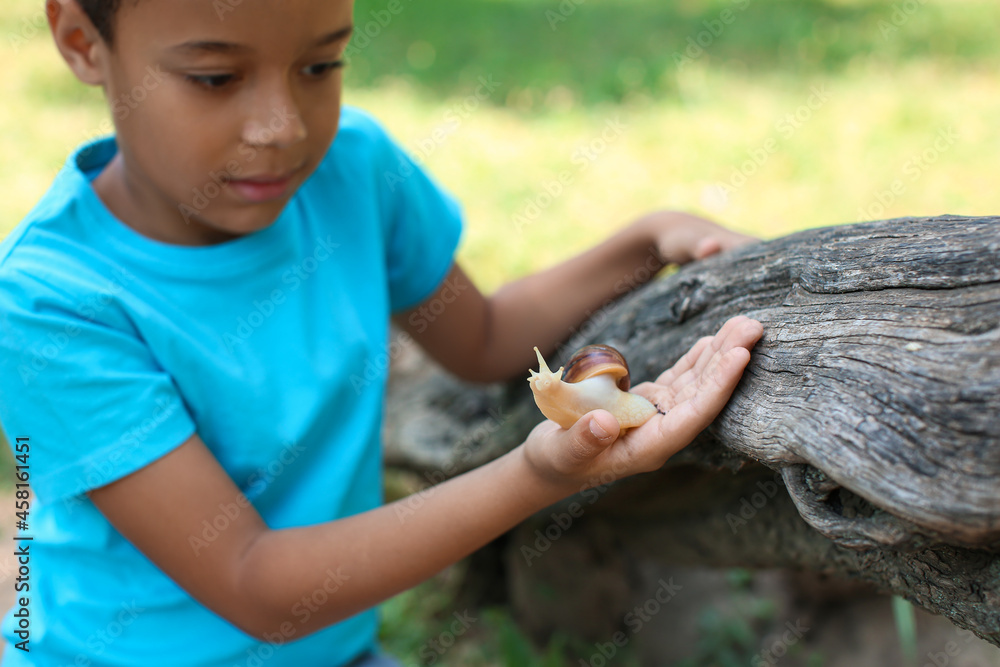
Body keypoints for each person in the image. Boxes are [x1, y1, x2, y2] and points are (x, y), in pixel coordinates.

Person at [0, 0, 764, 665]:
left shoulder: (351, 171)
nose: (283, 127)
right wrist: (541, 474)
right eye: (215, 78)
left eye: (321, 64)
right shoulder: (52, 304)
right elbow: (252, 581)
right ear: (80, 40)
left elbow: (487, 337)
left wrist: (646, 242)